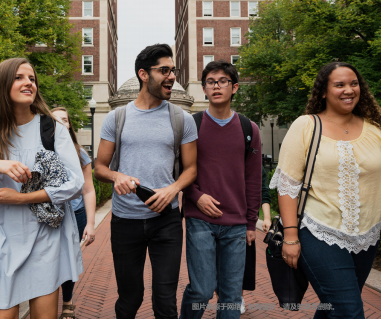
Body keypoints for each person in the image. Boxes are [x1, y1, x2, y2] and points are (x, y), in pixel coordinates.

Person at [270, 62, 381, 318]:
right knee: (348, 310)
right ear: (324, 92)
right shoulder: (306, 126)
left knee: (334, 307)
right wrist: (291, 237)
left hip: (366, 238)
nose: (348, 90)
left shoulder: (377, 132)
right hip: (317, 232)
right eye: (339, 85)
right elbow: (287, 187)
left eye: (353, 83)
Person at [0, 58, 84, 318]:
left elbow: (76, 184)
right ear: (2, 85)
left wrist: (23, 198)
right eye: (19, 77)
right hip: (1, 241)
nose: (28, 83)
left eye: (32, 78)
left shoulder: (52, 128)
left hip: (45, 240)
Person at [94, 44, 197, 319]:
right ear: (143, 74)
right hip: (125, 220)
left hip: (167, 221)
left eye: (173, 70)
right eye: (164, 70)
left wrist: (173, 189)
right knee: (130, 298)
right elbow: (99, 167)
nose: (172, 76)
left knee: (165, 301)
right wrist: (117, 175)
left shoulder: (182, 119)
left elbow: (191, 169)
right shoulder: (117, 117)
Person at [180, 60, 262, 319]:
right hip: (199, 220)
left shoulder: (249, 129)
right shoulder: (192, 125)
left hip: (236, 224)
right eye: (211, 82)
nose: (216, 86)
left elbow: (253, 178)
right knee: (202, 290)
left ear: (234, 87)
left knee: (231, 295)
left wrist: (251, 223)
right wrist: (196, 196)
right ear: (204, 89)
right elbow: (179, 170)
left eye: (223, 81)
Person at [51, 107, 96, 319]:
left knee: (67, 260)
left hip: (76, 214)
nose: (61, 122)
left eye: (64, 119)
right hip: (47, 217)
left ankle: (67, 302)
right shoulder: (43, 150)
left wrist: (91, 223)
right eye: (55, 119)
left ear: (69, 125)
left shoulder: (79, 153)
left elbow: (88, 189)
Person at [240, 166, 272, 314]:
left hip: (246, 221)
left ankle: (238, 297)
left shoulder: (255, 162)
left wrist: (266, 218)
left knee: (243, 262)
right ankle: (224, 297)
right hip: (224, 215)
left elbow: (263, 192)